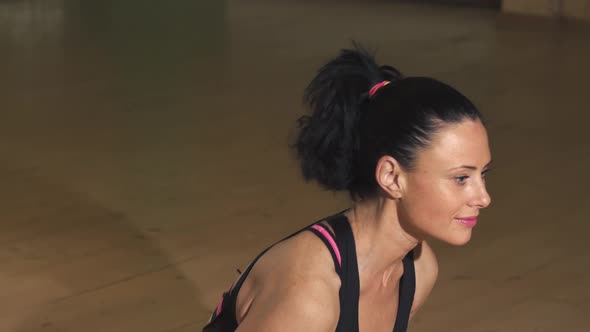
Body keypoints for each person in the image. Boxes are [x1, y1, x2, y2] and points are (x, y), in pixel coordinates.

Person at [202, 44, 492, 332]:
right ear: (391, 177)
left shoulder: (419, 268)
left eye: (483, 174)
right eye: (461, 178)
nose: (484, 198)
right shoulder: (310, 293)